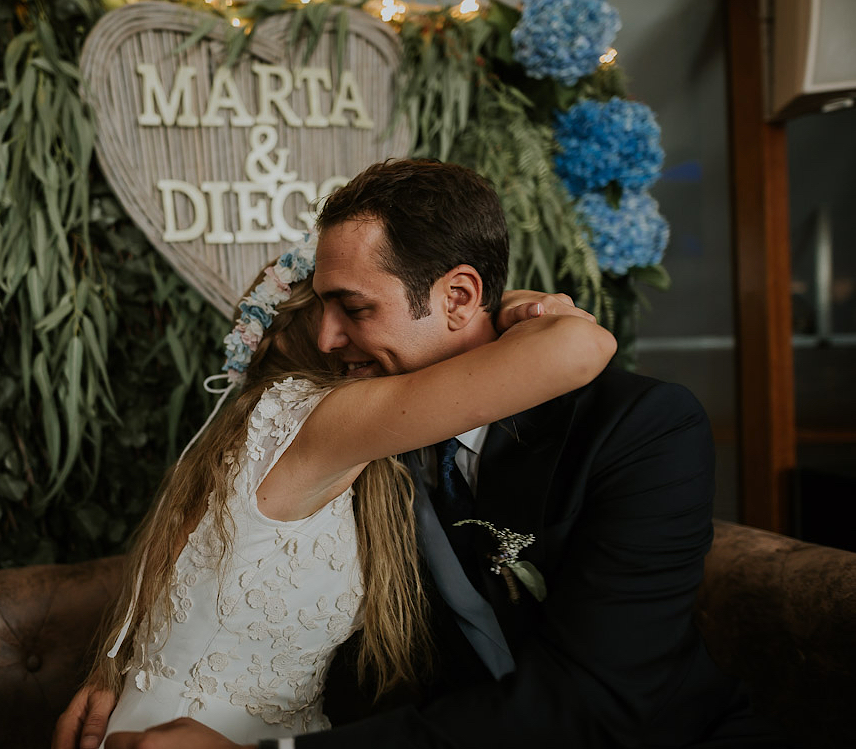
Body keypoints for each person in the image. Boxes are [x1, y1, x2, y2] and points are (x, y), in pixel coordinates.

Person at [63, 159, 786, 749]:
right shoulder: (355, 425)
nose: (327, 338)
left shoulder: (640, 428)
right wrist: (138, 673)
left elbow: (591, 705)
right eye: (318, 306)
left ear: (457, 295)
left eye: (355, 307)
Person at [51, 219, 616, 749]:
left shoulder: (294, 442)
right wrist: (515, 306)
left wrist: (118, 673)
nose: (331, 336)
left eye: (352, 308)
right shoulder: (317, 419)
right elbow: (578, 349)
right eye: (330, 308)